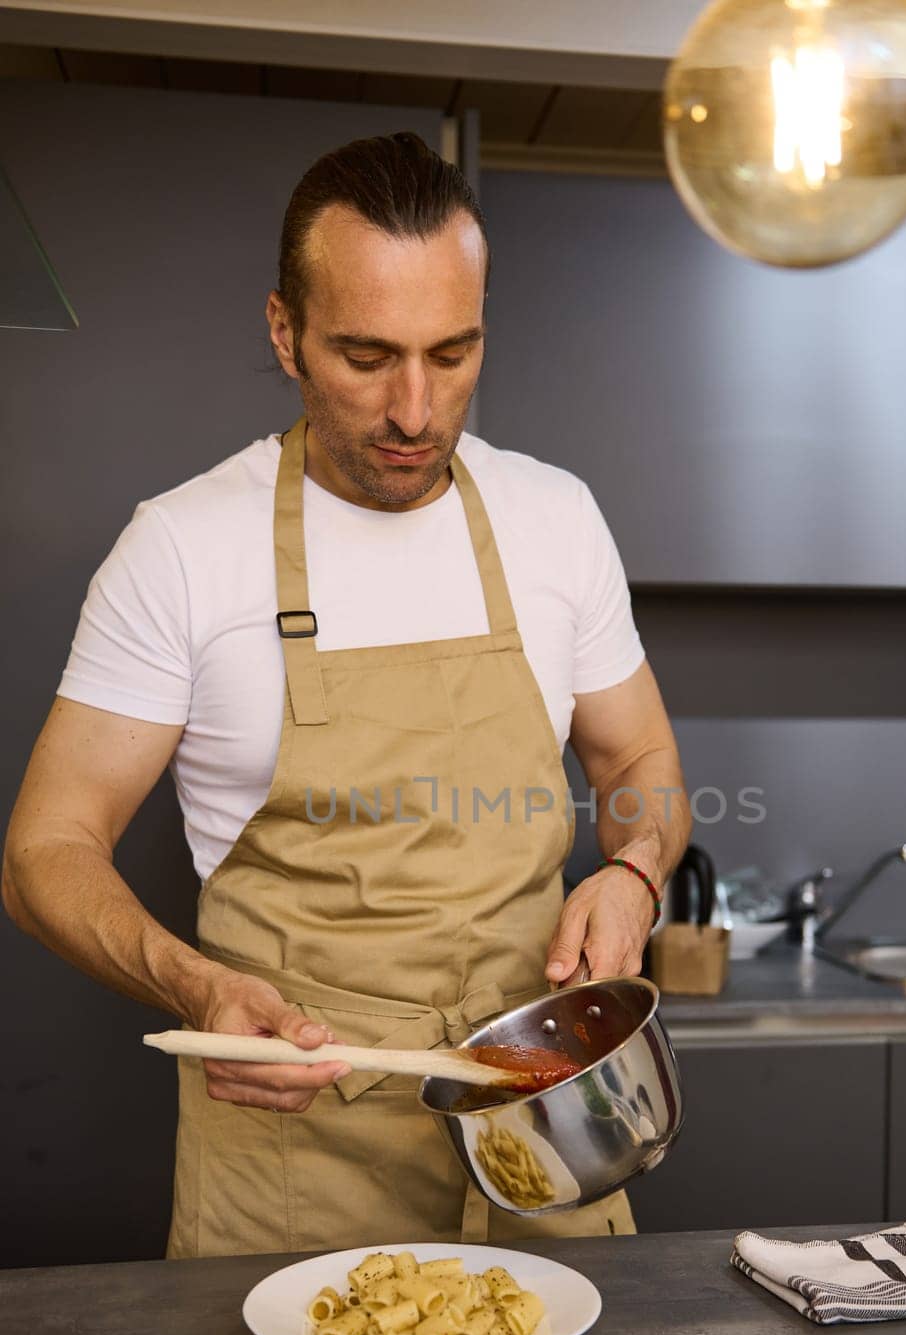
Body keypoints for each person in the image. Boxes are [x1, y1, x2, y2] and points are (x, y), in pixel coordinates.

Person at [2, 132, 690, 1256]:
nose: (414, 410)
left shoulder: (554, 517)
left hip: (545, 1134)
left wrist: (629, 872)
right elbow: (45, 849)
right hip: (296, 1168)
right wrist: (193, 983)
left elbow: (637, 765)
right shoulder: (181, 548)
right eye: (366, 357)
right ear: (285, 331)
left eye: (451, 352)